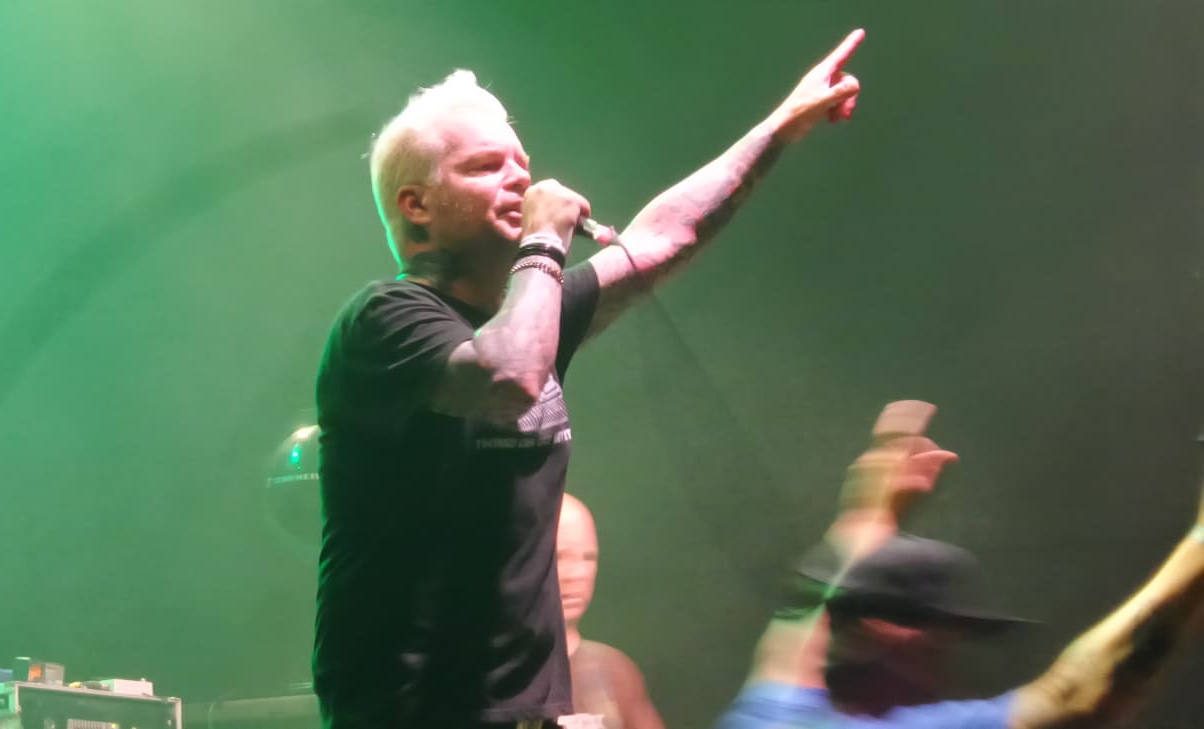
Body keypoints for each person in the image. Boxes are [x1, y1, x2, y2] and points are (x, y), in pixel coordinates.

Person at [313, 29, 868, 729]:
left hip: (529, 713)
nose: (521, 180)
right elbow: (507, 379)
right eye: (485, 166)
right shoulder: (384, 319)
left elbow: (663, 237)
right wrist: (544, 240)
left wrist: (780, 126)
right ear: (416, 205)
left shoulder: (533, 310)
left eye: (522, 163)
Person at [717, 400, 1204, 729]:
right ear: (891, 632)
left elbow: (806, 622)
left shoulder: (769, 713)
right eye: (942, 631)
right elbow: (1075, 697)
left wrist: (871, 512)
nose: (948, 654)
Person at [556, 494, 666, 729]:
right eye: (557, 558)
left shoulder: (614, 672)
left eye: (588, 558)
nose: (576, 574)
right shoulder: (484, 676)